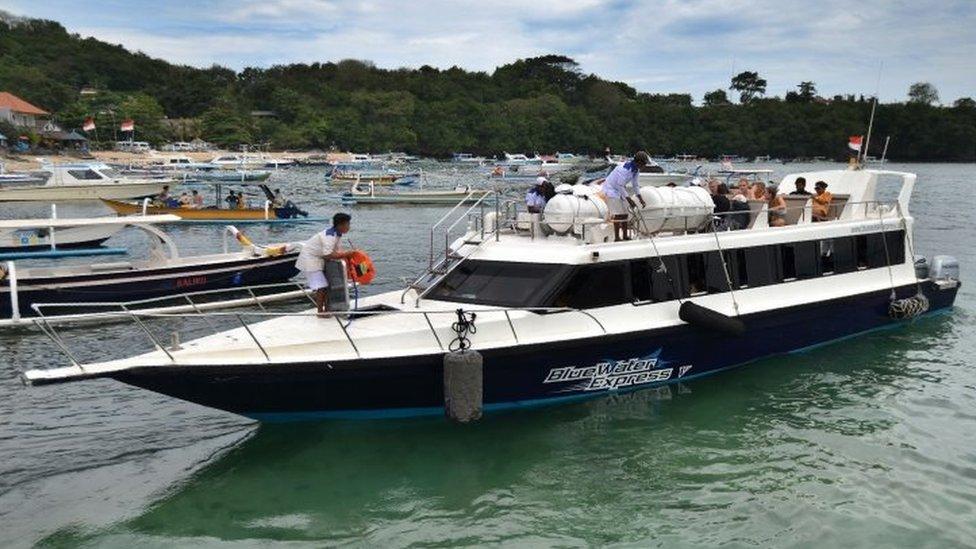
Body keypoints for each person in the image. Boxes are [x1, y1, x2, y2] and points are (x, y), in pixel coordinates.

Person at [296, 213, 357, 315]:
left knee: (326, 284)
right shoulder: (330, 236)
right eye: (347, 224)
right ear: (340, 225)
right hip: (310, 259)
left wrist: (345, 255)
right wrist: (347, 254)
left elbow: (335, 252)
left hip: (319, 258)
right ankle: (320, 312)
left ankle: (328, 307)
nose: (349, 227)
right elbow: (328, 254)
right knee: (322, 286)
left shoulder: (337, 235)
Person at [602, 151, 649, 241]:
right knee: (617, 214)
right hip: (611, 189)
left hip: (620, 190)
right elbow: (620, 185)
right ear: (638, 162)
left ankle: (625, 235)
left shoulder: (636, 170)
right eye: (643, 163)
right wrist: (629, 200)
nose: (644, 166)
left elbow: (635, 184)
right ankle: (616, 237)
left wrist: (640, 198)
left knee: (625, 213)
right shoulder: (624, 170)